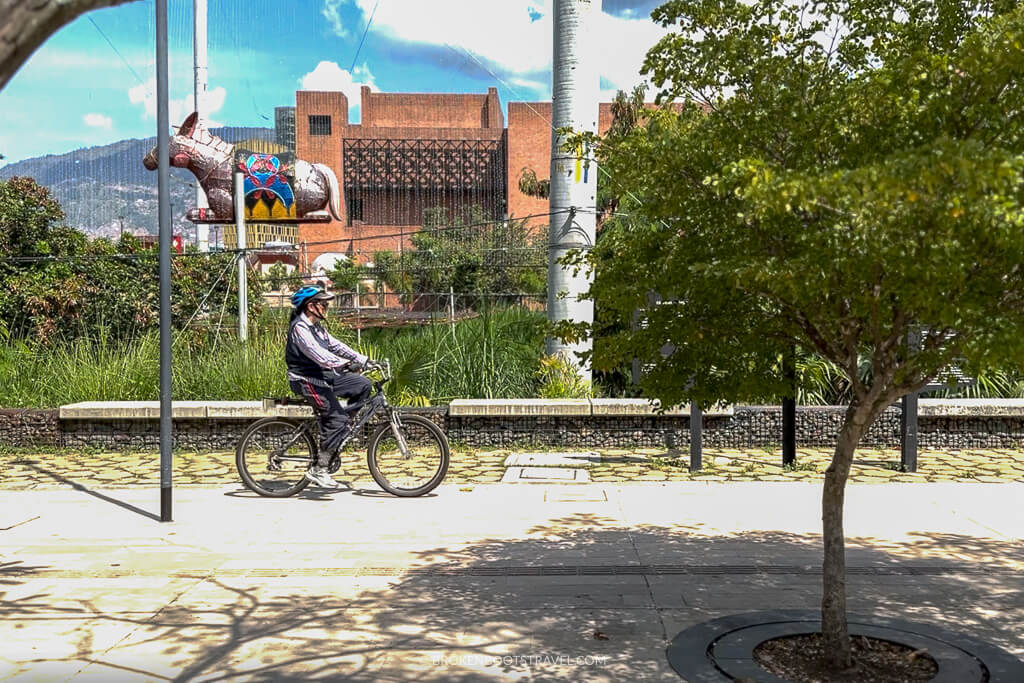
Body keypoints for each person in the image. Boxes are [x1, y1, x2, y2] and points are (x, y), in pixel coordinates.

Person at [286, 284, 373, 488]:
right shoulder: (300, 328)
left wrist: (364, 360)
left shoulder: (317, 327)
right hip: (306, 380)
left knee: (363, 385)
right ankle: (320, 469)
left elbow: (335, 345)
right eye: (323, 304)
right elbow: (319, 355)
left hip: (323, 377)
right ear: (310, 306)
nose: (327, 307)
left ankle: (339, 428)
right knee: (336, 417)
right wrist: (345, 365)